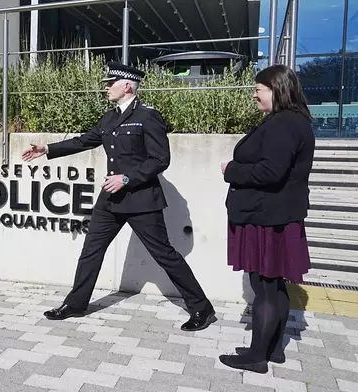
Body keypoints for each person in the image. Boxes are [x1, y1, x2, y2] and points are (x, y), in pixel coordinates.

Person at [22, 61, 216, 332]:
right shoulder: (109, 117)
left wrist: (127, 178)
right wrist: (48, 149)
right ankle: (76, 304)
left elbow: (161, 159)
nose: (105, 87)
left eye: (110, 83)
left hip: (141, 199)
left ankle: (202, 308)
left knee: (164, 254)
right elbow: (84, 141)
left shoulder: (148, 116)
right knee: (91, 250)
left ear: (127, 86)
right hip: (111, 200)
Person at [218, 64, 315, 373]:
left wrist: (230, 170)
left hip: (266, 216)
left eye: (259, 90)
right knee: (275, 284)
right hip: (277, 214)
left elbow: (271, 172)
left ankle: (256, 356)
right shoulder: (296, 121)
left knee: (264, 286)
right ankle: (273, 350)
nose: (254, 95)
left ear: (277, 90)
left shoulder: (282, 124)